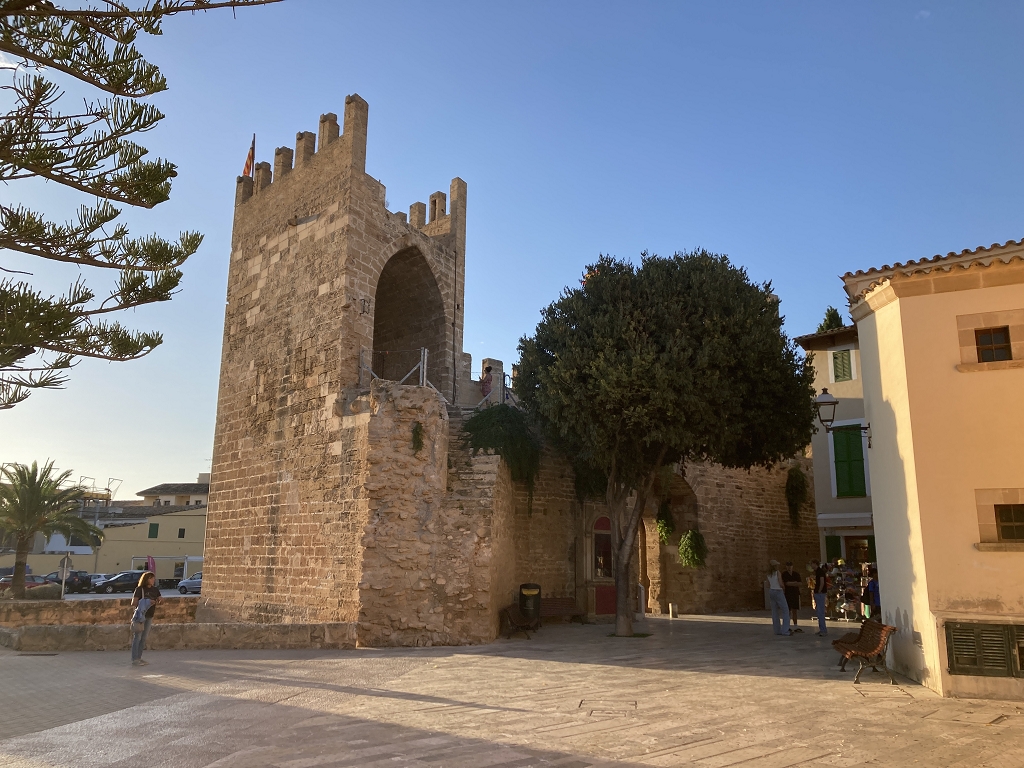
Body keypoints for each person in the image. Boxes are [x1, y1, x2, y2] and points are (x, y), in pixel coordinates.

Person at [130, 571, 161, 666]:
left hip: (149, 616)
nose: (153, 580)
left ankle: (139, 657)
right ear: (146, 579)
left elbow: (160, 598)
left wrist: (159, 600)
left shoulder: (155, 590)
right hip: (140, 616)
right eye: (151, 578)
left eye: (153, 578)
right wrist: (147, 601)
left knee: (144, 638)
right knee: (137, 637)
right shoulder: (140, 589)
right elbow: (133, 602)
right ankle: (134, 659)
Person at [766, 560, 791, 636]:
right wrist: (783, 587)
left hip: (771, 591)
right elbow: (780, 583)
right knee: (785, 610)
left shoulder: (768, 574)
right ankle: (785, 630)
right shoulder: (777, 572)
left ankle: (777, 630)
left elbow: (767, 584)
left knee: (774, 611)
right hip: (778, 591)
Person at [781, 561, 802, 632]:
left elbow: (800, 583)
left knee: (795, 610)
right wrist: (794, 583)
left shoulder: (796, 574)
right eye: (788, 566)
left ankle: (795, 625)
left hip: (795, 593)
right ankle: (787, 625)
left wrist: (792, 583)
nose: (789, 567)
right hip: (788, 594)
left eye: (790, 566)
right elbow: (786, 583)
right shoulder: (784, 574)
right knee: (788, 610)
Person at [811, 559, 829, 637]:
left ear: (815, 563)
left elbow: (821, 582)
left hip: (820, 593)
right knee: (819, 611)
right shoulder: (817, 572)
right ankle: (821, 628)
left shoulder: (820, 572)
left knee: (821, 612)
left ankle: (823, 630)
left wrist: (819, 590)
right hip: (818, 592)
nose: (811, 566)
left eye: (812, 564)